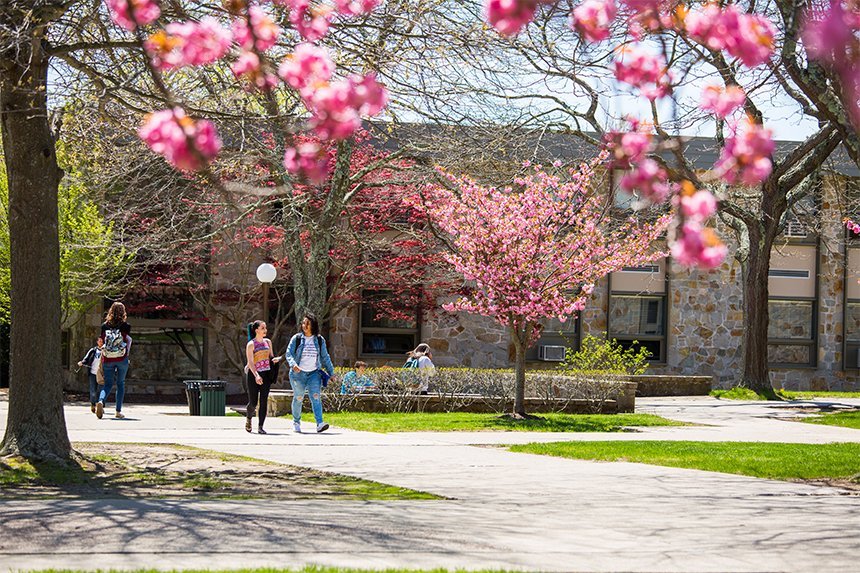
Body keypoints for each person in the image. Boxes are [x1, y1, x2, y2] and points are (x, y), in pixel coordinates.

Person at [284, 313, 335, 433]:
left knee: (316, 397)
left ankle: (320, 423)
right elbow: (289, 353)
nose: (304, 325)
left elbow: (325, 357)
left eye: (308, 323)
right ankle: (296, 422)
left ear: (313, 325)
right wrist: (293, 364)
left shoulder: (319, 340)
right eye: (303, 323)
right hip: (298, 374)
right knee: (299, 398)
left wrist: (331, 372)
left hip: (314, 374)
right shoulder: (296, 338)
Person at [95, 302, 131, 420]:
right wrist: (127, 354)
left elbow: (101, 342)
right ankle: (118, 411)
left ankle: (100, 401)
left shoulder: (104, 326)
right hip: (121, 358)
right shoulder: (126, 326)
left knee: (108, 384)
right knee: (120, 384)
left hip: (108, 358)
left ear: (110, 311)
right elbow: (127, 340)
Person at [244, 320, 281, 434]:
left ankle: (260, 426)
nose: (265, 330)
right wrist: (256, 375)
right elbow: (250, 362)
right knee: (253, 402)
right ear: (256, 330)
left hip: (266, 374)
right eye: (263, 328)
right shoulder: (251, 344)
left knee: (264, 400)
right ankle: (249, 418)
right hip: (254, 374)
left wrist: (276, 360)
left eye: (265, 328)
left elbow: (271, 357)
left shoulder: (268, 342)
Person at [77, 342, 103, 413]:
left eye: (102, 341)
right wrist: (82, 362)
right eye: (100, 341)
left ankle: (100, 406)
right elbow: (86, 358)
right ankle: (93, 404)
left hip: (101, 374)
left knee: (101, 391)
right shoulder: (93, 350)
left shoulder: (106, 351)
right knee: (93, 390)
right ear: (97, 342)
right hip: (92, 373)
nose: (101, 343)